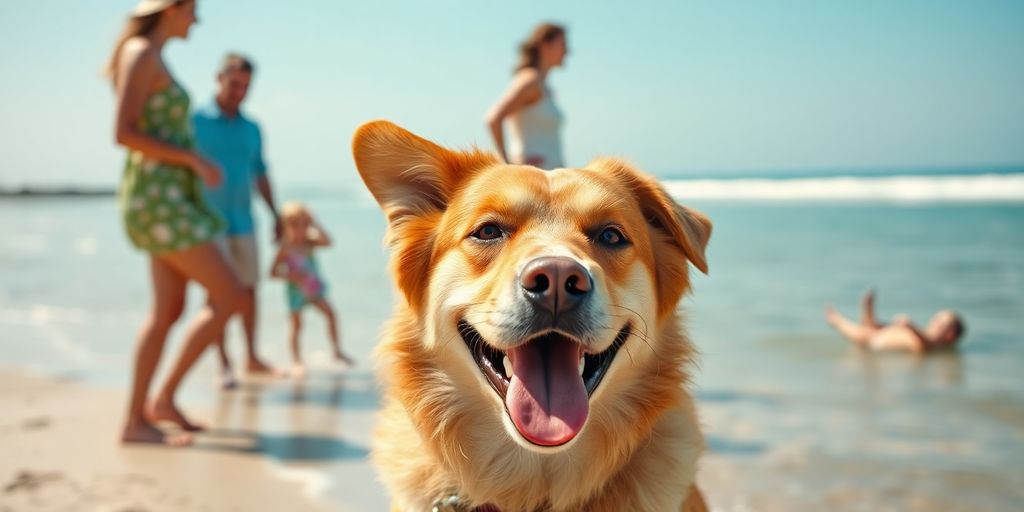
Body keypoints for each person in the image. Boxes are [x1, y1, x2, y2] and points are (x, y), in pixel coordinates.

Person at [107, 0, 245, 445]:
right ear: (172, 8)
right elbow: (123, 132)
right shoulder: (140, 52)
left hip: (168, 200)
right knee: (230, 293)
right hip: (159, 202)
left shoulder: (150, 54)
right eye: (193, 10)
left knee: (167, 311)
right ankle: (157, 403)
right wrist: (193, 158)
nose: (197, 19)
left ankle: (143, 416)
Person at [192, 53, 280, 389]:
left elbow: (260, 174)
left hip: (245, 221)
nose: (239, 92)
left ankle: (252, 357)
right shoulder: (195, 121)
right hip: (206, 223)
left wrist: (275, 214)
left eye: (245, 86)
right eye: (234, 84)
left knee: (249, 291)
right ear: (219, 79)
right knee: (217, 294)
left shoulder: (252, 129)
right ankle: (224, 364)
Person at [270, 202, 354, 377]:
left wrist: (314, 222)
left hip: (315, 289)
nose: (299, 229)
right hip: (296, 292)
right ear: (285, 226)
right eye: (294, 225)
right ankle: (296, 361)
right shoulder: (285, 249)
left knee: (331, 314)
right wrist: (291, 277)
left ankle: (337, 351)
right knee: (296, 326)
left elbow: (329, 242)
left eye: (303, 224)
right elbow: (272, 273)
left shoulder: (310, 243)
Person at [485, 23, 568, 169]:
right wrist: (507, 164)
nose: (567, 51)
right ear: (544, 45)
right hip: (532, 182)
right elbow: (493, 118)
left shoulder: (546, 87)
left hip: (550, 179)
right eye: (562, 44)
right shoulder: (530, 80)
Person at [825, 289, 965, 353]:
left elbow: (924, 346)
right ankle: (868, 315)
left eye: (940, 323)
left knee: (862, 332)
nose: (933, 321)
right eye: (936, 318)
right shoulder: (928, 337)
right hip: (886, 332)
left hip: (877, 341)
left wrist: (911, 326)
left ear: (950, 335)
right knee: (873, 326)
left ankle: (836, 320)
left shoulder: (935, 343)